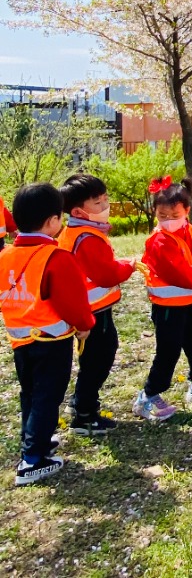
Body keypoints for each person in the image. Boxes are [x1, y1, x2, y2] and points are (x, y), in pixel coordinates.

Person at [0, 183, 94, 485]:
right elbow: (74, 304)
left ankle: (34, 441)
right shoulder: (56, 257)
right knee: (47, 396)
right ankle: (33, 459)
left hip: (20, 341)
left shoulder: (4, 256)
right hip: (51, 341)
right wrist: (85, 325)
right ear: (52, 221)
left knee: (30, 394)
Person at [133, 177, 192, 422]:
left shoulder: (191, 231)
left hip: (188, 300)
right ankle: (148, 395)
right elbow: (177, 271)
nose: (169, 220)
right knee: (168, 351)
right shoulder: (159, 241)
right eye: (163, 215)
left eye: (174, 214)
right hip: (167, 307)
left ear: (186, 210)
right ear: (155, 213)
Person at [59, 173, 136, 435]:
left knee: (92, 359)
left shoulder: (78, 232)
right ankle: (85, 414)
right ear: (79, 210)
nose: (106, 206)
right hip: (94, 311)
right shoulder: (87, 237)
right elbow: (105, 275)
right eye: (98, 202)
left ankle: (81, 403)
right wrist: (128, 267)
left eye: (106, 199)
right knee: (98, 358)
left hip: (89, 309)